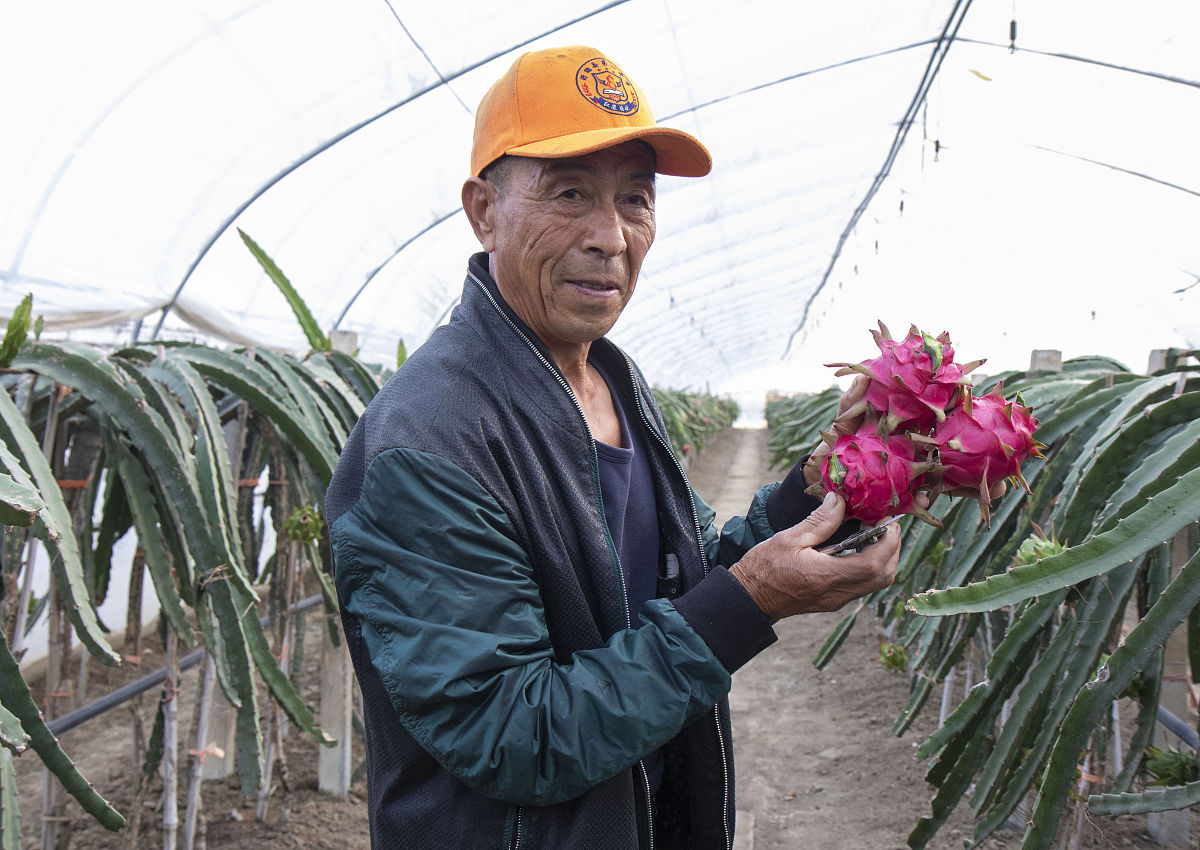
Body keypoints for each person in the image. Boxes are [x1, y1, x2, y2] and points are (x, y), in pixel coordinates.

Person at [326, 45, 898, 850]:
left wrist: (820, 488)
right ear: (484, 210)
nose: (611, 236)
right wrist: (752, 602)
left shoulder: (614, 384)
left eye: (636, 199)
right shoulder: (431, 439)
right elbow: (511, 733)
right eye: (570, 194)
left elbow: (689, 574)